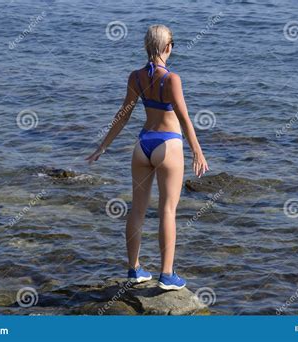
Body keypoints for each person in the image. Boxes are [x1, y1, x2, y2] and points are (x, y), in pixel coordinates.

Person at [86, 24, 208, 290]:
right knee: (167, 210)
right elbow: (185, 119)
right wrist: (197, 151)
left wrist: (103, 146)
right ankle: (167, 275)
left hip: (142, 146)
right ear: (168, 48)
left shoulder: (136, 77)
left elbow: (123, 115)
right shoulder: (172, 79)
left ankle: (135, 269)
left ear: (146, 46)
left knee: (138, 210)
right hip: (168, 146)